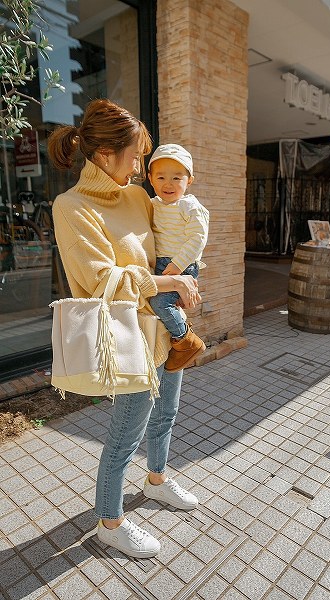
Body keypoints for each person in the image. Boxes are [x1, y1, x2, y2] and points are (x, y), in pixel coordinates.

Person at [47, 99, 202, 560]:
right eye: (134, 156)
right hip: (128, 338)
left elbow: (173, 234)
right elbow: (101, 281)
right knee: (123, 437)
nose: (140, 167)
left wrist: (190, 258)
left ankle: (156, 482)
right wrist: (172, 280)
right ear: (103, 155)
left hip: (166, 331)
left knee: (167, 416)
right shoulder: (71, 206)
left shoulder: (138, 196)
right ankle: (110, 523)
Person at [148, 144, 209, 372]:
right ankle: (176, 341)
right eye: (161, 177)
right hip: (161, 264)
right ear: (150, 178)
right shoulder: (152, 204)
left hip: (181, 266)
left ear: (189, 180)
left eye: (176, 177)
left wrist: (177, 266)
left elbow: (197, 239)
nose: (168, 184)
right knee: (157, 304)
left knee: (159, 303)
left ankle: (186, 340)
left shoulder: (190, 205)